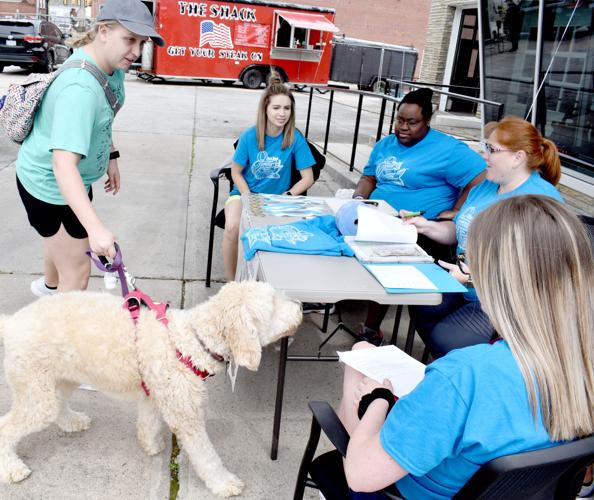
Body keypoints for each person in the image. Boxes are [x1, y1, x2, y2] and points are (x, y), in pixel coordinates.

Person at [337, 195, 594, 498]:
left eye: (469, 262)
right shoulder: (581, 361)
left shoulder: (465, 375)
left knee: (358, 363)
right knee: (364, 354)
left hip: (405, 490)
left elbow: (361, 476)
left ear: (495, 279)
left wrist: (378, 400)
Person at [15, 0, 164, 296]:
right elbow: (63, 165)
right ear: (104, 31)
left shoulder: (111, 67)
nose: (136, 52)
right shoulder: (80, 89)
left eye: (141, 42)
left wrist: (110, 155)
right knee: (78, 276)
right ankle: (56, 337)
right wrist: (96, 229)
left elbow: (103, 119)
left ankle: (48, 286)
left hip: (73, 182)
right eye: (129, 39)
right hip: (50, 187)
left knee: (59, 241)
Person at [405, 116, 563, 358]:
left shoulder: (540, 201)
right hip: (463, 282)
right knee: (422, 304)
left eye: (491, 149)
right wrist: (426, 227)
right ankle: (452, 367)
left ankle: (460, 370)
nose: (484, 155)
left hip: (504, 301)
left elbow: (535, 272)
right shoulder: (486, 187)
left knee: (445, 338)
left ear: (518, 157)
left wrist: (472, 279)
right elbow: (459, 230)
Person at [348, 87, 486, 342]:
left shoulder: (447, 149)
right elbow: (368, 176)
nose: (403, 127)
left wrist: (458, 209)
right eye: (400, 120)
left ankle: (370, 329)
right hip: (379, 217)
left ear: (427, 122)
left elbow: (481, 177)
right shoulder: (385, 144)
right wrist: (359, 200)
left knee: (387, 253)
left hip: (421, 228)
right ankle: (331, 298)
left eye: (412, 122)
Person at [222, 73, 315, 281]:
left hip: (276, 200)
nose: (282, 113)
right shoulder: (249, 136)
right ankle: (232, 285)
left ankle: (275, 282)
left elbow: (307, 178)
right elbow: (235, 172)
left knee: (298, 235)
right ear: (265, 108)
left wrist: (288, 195)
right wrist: (249, 198)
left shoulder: (294, 137)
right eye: (276, 107)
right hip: (244, 194)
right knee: (232, 228)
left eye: (287, 108)